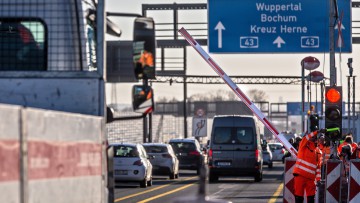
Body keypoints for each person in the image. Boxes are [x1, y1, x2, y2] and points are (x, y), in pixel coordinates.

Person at [293, 129, 326, 203]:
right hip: (300, 175)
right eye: (312, 136)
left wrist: (318, 179)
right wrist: (317, 131)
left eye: (314, 137)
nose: (313, 138)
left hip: (311, 179)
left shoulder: (318, 151)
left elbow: (318, 167)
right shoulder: (303, 145)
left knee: (311, 198)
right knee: (299, 197)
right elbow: (306, 138)